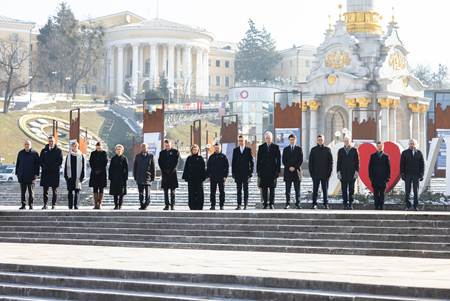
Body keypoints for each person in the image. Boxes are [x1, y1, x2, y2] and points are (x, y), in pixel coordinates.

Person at [257, 131, 281, 209]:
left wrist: (278, 171)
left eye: (269, 138)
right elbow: (258, 160)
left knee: (272, 188)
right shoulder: (261, 147)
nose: (268, 139)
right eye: (266, 138)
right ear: (265, 138)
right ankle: (265, 204)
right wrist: (258, 171)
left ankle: (271, 204)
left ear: (272, 138)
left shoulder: (276, 147)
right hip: (263, 172)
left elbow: (278, 160)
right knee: (264, 188)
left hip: (273, 172)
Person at [308, 135, 333, 209]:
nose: (320, 141)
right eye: (318, 140)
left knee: (325, 190)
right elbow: (310, 163)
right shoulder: (313, 150)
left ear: (323, 140)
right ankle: (314, 204)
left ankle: (325, 204)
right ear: (317, 140)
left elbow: (330, 162)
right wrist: (312, 173)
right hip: (315, 174)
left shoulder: (327, 149)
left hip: (325, 174)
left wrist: (329, 173)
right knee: (315, 190)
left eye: (321, 140)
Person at [400, 139, 425, 211]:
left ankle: (415, 206)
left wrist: (421, 174)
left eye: (413, 143)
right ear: (408, 144)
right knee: (407, 191)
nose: (412, 145)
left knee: (416, 191)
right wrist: (402, 174)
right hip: (407, 175)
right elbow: (402, 164)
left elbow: (422, 165)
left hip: (416, 175)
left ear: (415, 144)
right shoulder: (404, 153)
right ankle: (408, 205)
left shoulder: (419, 153)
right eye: (410, 143)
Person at [39, 136, 63, 210]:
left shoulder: (59, 151)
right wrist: (45, 167)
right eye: (49, 141)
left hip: (54, 173)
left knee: (54, 190)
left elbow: (60, 162)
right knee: (45, 190)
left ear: (54, 142)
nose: (51, 142)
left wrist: (53, 167)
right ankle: (45, 204)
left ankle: (53, 205)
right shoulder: (43, 151)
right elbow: (41, 161)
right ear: (48, 142)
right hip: (45, 173)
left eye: (52, 141)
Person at [15, 140, 40, 210]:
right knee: (23, 192)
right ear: (24, 145)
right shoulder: (20, 153)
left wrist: (36, 174)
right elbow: (18, 164)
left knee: (31, 192)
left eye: (28, 144)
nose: (27, 145)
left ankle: (31, 205)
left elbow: (37, 165)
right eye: (25, 144)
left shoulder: (35, 153)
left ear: (30, 145)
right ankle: (23, 205)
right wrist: (17, 173)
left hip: (31, 177)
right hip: (22, 176)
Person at [337, 136, 359, 210]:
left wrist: (356, 171)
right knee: (344, 190)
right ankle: (345, 204)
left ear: (350, 141)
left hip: (352, 173)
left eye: (348, 141)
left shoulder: (354, 150)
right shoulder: (340, 151)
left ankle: (350, 204)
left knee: (351, 190)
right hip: (343, 174)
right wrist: (338, 172)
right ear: (344, 141)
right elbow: (338, 162)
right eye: (345, 140)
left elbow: (357, 162)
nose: (346, 142)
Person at [232, 135, 254, 210]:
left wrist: (250, 173)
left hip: (246, 174)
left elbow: (251, 162)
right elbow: (233, 162)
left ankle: (245, 204)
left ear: (245, 141)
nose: (241, 142)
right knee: (238, 189)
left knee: (245, 189)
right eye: (239, 140)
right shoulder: (235, 150)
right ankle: (239, 205)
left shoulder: (248, 150)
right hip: (238, 174)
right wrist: (233, 173)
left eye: (242, 140)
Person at [282, 134, 303, 209]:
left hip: (296, 172)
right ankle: (287, 204)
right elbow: (284, 160)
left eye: (293, 139)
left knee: (297, 189)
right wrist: (289, 167)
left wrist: (294, 167)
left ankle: (298, 204)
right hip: (288, 172)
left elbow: (300, 160)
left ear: (295, 140)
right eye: (291, 139)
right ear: (289, 140)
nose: (292, 141)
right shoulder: (285, 149)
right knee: (287, 190)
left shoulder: (299, 149)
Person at [182, 144, 206, 210]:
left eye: (196, 149)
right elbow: (186, 168)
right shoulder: (189, 158)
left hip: (199, 179)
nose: (194, 151)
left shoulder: (200, 158)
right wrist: (186, 177)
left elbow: (203, 169)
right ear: (191, 150)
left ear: (198, 150)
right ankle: (192, 206)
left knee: (200, 193)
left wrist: (203, 177)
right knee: (191, 193)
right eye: (193, 149)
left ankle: (199, 206)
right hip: (191, 179)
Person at [206, 142, 229, 210]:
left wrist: (225, 176)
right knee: (212, 192)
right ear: (214, 148)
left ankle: (221, 205)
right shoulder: (211, 157)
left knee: (222, 192)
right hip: (213, 177)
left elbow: (226, 167)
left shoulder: (223, 157)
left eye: (218, 148)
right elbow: (208, 167)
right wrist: (209, 175)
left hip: (221, 177)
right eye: (216, 148)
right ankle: (213, 205)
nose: (217, 149)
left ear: (220, 148)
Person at [64, 141, 86, 210]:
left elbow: (83, 167)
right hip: (70, 176)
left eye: (75, 146)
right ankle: (70, 206)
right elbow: (65, 167)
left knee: (77, 191)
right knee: (70, 191)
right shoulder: (68, 155)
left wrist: (82, 176)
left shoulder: (81, 155)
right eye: (73, 146)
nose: (74, 147)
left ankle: (76, 205)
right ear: (71, 147)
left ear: (77, 146)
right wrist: (66, 176)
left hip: (78, 176)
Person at [158, 139, 179, 210]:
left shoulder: (175, 152)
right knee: (165, 190)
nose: (167, 147)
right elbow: (160, 162)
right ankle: (167, 205)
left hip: (172, 174)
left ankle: (172, 205)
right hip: (164, 174)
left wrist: (170, 170)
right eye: (166, 145)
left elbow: (176, 162)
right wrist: (164, 170)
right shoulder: (162, 153)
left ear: (171, 144)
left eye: (168, 145)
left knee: (172, 191)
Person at [369, 141, 390, 210]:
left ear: (383, 147)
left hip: (383, 178)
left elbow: (388, 168)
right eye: (378, 146)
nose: (379, 147)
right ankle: (376, 206)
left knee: (382, 193)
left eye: (381, 146)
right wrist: (371, 177)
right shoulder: (372, 156)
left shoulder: (386, 156)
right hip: (375, 178)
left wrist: (387, 178)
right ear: (376, 147)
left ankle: (381, 206)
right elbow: (370, 167)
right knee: (375, 193)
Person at [133, 143, 155, 210]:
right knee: (141, 193)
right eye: (142, 147)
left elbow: (152, 167)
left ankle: (146, 204)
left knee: (147, 193)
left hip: (147, 177)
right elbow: (135, 167)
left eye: (145, 147)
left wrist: (153, 177)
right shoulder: (137, 156)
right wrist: (135, 176)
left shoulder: (150, 156)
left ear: (147, 148)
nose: (144, 148)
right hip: (139, 177)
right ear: (141, 148)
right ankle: (142, 205)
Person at [89, 141, 108, 209]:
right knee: (95, 188)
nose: (98, 149)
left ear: (101, 147)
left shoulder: (104, 153)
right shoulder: (93, 153)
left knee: (101, 188)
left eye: (99, 148)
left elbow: (105, 162)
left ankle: (99, 203)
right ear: (96, 147)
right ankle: (95, 204)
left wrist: (100, 170)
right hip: (94, 173)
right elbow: (91, 162)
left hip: (102, 173)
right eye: (97, 148)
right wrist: (95, 170)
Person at [109, 144, 128, 210]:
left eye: (120, 149)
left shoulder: (124, 158)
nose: (119, 150)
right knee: (115, 192)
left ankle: (120, 204)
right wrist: (110, 177)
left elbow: (126, 169)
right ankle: (116, 205)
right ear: (115, 151)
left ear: (122, 151)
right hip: (114, 178)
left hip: (122, 178)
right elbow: (110, 168)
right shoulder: (113, 158)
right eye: (117, 149)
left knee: (121, 193)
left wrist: (125, 177)